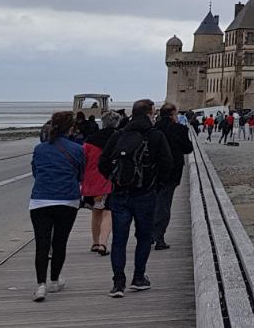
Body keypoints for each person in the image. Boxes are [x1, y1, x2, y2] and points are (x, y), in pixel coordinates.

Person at [98, 98, 173, 298]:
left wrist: (115, 181)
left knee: (119, 240)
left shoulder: (118, 135)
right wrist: (156, 185)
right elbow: (167, 165)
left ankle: (118, 283)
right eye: (153, 112)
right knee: (143, 237)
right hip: (145, 194)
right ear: (149, 113)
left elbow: (103, 163)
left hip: (120, 194)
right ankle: (139, 277)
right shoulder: (156, 136)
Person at [28, 111, 83, 302]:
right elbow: (80, 174)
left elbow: (35, 172)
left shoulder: (40, 148)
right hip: (67, 199)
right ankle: (54, 280)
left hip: (40, 199)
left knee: (41, 244)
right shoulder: (77, 149)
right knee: (60, 242)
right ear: (71, 128)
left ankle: (40, 285)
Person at [151, 103, 193, 251]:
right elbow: (188, 149)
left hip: (152, 172)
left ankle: (149, 234)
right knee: (164, 204)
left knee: (153, 202)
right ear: (173, 114)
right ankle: (159, 237)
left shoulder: (153, 129)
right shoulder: (180, 129)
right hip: (171, 172)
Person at [82, 113, 118, 255]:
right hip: (110, 180)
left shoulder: (90, 141)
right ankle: (103, 243)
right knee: (108, 213)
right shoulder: (118, 138)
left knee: (96, 212)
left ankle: (95, 242)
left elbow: (83, 160)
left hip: (92, 180)